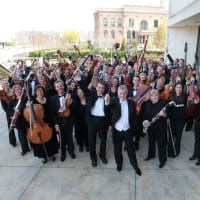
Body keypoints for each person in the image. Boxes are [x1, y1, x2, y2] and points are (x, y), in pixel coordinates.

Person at [105, 85, 142, 176]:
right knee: (117, 149)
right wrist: (106, 101)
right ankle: (119, 163)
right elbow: (108, 107)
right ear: (118, 93)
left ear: (127, 93)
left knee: (131, 150)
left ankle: (135, 166)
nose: (122, 95)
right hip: (117, 130)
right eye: (120, 93)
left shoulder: (131, 102)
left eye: (124, 93)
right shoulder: (114, 100)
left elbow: (133, 116)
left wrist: (132, 128)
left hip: (127, 130)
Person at [27, 85, 59, 163]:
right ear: (35, 93)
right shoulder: (33, 102)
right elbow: (29, 114)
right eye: (38, 91)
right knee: (40, 140)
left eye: (41, 91)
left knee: (50, 138)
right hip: (39, 124)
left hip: (48, 123)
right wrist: (28, 106)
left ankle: (51, 154)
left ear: (43, 91)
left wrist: (55, 123)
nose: (40, 92)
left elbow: (52, 112)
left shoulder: (48, 100)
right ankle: (43, 156)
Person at [51, 80, 76, 162]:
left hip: (69, 120)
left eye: (61, 85)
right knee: (61, 138)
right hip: (59, 121)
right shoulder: (53, 98)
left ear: (63, 86)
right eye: (58, 86)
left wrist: (70, 101)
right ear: (55, 88)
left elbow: (74, 108)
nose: (60, 88)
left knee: (69, 136)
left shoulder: (69, 95)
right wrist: (56, 124)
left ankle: (71, 151)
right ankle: (63, 153)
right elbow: (53, 113)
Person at [142, 89, 167, 168]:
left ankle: (162, 160)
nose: (154, 97)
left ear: (158, 96)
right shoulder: (148, 104)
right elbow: (145, 117)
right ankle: (151, 155)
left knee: (161, 144)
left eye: (156, 95)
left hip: (161, 128)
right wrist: (145, 127)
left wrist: (164, 115)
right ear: (150, 97)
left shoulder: (163, 103)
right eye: (152, 95)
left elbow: (168, 115)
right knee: (151, 142)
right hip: (151, 127)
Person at [87, 81, 109, 167]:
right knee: (92, 141)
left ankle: (102, 155)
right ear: (96, 87)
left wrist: (107, 102)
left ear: (104, 89)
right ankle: (93, 158)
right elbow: (87, 91)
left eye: (102, 88)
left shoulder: (107, 96)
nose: (101, 89)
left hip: (103, 121)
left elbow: (109, 111)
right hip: (92, 120)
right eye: (99, 87)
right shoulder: (92, 94)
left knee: (103, 140)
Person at [7, 84, 30, 155]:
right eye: (15, 90)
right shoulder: (12, 101)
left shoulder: (26, 98)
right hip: (18, 121)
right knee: (22, 136)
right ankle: (25, 149)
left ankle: (34, 146)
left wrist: (19, 109)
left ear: (21, 90)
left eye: (18, 89)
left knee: (30, 134)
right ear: (13, 92)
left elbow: (27, 107)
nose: (17, 91)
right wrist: (12, 115)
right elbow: (9, 111)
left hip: (26, 119)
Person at [167, 82, 187, 157]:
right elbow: (168, 108)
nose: (178, 89)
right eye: (177, 87)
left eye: (180, 87)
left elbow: (185, 108)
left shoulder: (185, 97)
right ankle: (169, 151)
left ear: (182, 89)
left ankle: (176, 151)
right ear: (174, 88)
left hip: (180, 120)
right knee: (171, 136)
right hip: (172, 120)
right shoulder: (171, 96)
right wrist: (168, 117)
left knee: (178, 137)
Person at [0, 79, 16, 147]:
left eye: (6, 83)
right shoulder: (1, 94)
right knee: (11, 128)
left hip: (18, 111)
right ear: (2, 86)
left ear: (8, 83)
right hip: (9, 113)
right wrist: (11, 115)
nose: (6, 85)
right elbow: (5, 108)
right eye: (4, 84)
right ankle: (13, 142)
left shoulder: (13, 90)